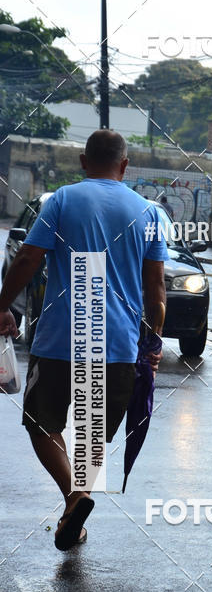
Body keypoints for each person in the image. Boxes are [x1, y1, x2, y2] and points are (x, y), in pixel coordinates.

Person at [0, 129, 168, 550]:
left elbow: (26, 257)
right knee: (91, 437)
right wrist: (153, 342)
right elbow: (157, 289)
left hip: (60, 341)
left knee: (42, 425)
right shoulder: (148, 212)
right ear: (125, 166)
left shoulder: (60, 200)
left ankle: (77, 498)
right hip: (117, 347)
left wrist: (2, 305)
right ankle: (75, 505)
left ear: (82, 161)